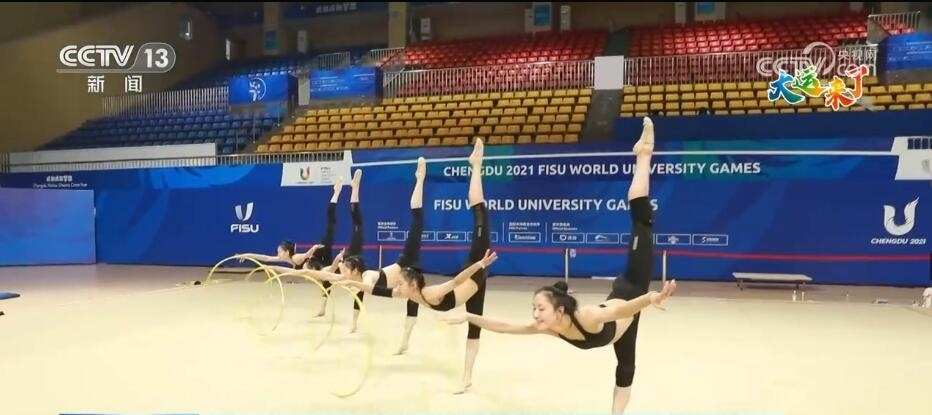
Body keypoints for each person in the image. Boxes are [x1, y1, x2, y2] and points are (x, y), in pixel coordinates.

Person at [440, 117, 676, 413]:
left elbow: (619, 310)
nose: (535, 314)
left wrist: (649, 298)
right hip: (625, 320)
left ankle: (644, 153)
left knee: (642, 220)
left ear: (560, 310)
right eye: (535, 308)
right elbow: (505, 326)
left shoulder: (587, 316)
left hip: (632, 287)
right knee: (626, 368)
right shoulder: (552, 327)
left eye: (540, 308)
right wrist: (469, 317)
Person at [337, 139, 492, 393]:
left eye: (400, 283)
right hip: (475, 281)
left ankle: (476, 165)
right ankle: (467, 377)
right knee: (475, 328)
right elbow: (374, 290)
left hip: (475, 270)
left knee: (480, 214)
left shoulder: (430, 293)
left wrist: (480, 265)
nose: (397, 287)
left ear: (412, 284)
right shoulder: (409, 293)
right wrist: (345, 281)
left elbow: (456, 281)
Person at [237, 171, 363, 318]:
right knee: (326, 280)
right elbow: (264, 257)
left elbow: (305, 257)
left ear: (287, 252)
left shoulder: (296, 259)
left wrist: (313, 250)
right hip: (320, 263)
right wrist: (246, 255)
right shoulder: (287, 259)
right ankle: (322, 309)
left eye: (279, 251)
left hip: (319, 253)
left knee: (331, 225)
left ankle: (337, 192)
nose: (277, 254)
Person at [334, 157, 427, 336]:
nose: (342, 271)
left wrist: (352, 283)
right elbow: (328, 275)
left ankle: (420, 178)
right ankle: (404, 340)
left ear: (354, 270)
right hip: (411, 271)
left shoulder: (366, 276)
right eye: (343, 269)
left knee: (417, 218)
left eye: (344, 269)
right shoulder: (358, 277)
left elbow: (367, 285)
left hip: (405, 261)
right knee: (413, 303)